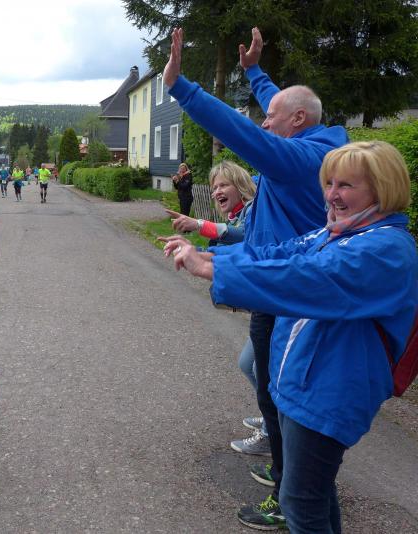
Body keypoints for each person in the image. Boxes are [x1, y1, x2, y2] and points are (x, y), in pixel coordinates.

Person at [163, 140, 417, 534]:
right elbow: (281, 254)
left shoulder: (384, 249)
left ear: (382, 188)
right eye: (329, 183)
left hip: (330, 393)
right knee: (313, 494)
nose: (332, 194)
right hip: (306, 384)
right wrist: (213, 255)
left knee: (300, 502)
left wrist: (216, 271)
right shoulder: (340, 232)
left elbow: (307, 278)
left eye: (346, 185)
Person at [163, 26, 348, 529]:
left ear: (298, 121)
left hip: (285, 292)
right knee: (271, 389)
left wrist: (182, 88)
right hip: (278, 280)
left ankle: (290, 492)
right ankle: (293, 478)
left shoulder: (303, 160)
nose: (264, 122)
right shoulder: (309, 140)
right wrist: (254, 74)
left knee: (279, 397)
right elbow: (280, 110)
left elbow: (245, 134)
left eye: (271, 116)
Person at [166, 161, 269, 456]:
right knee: (249, 365)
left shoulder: (255, 210)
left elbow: (246, 240)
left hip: (273, 303)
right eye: (214, 187)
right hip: (263, 304)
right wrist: (196, 253)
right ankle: (270, 416)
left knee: (260, 369)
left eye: (223, 185)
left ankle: (272, 431)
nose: (216, 192)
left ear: (241, 184)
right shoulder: (241, 213)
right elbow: (231, 248)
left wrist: (199, 226)